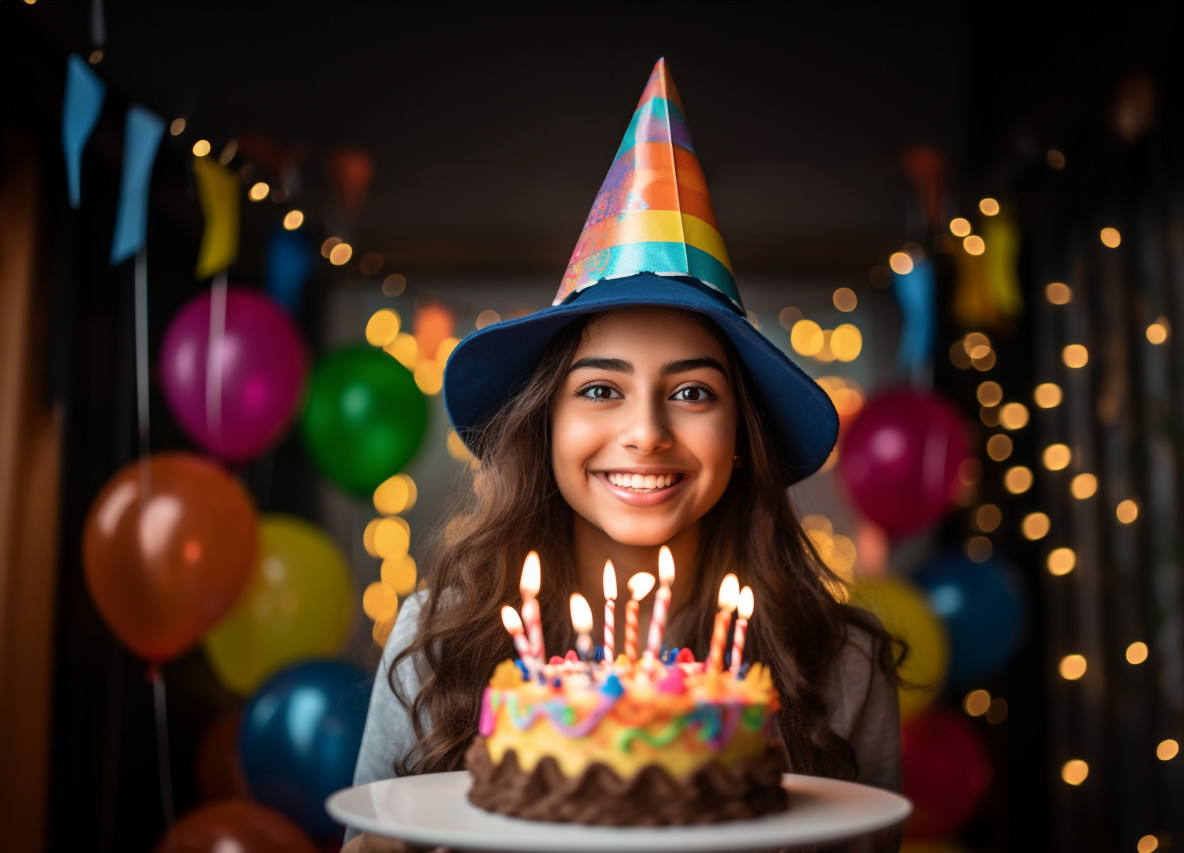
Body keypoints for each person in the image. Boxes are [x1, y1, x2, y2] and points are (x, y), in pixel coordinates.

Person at [342, 59, 904, 853]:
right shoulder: (437, 636)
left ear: (744, 438)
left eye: (693, 393)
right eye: (601, 390)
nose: (646, 433)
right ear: (545, 424)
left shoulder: (841, 663)